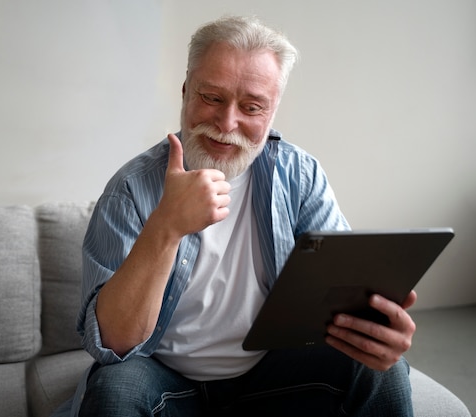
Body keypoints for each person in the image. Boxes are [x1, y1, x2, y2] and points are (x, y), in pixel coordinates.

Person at [52, 15, 417, 417]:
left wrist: (378, 331)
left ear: (273, 110)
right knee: (112, 393)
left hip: (272, 371)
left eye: (252, 106)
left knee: (381, 367)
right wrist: (167, 226)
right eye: (211, 97)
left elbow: (340, 299)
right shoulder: (130, 190)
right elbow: (115, 344)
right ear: (186, 90)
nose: (227, 124)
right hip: (164, 377)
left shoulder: (300, 176)